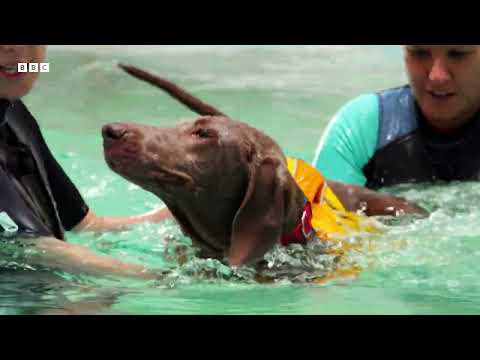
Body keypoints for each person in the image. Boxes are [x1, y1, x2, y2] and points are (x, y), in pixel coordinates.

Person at [0, 45, 170, 278]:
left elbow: (88, 225)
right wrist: (165, 279)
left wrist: (180, 213)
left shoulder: (13, 114)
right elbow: (32, 249)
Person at [313, 45, 480, 189]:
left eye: (458, 54)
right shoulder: (363, 128)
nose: (436, 76)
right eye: (420, 52)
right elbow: (315, 216)